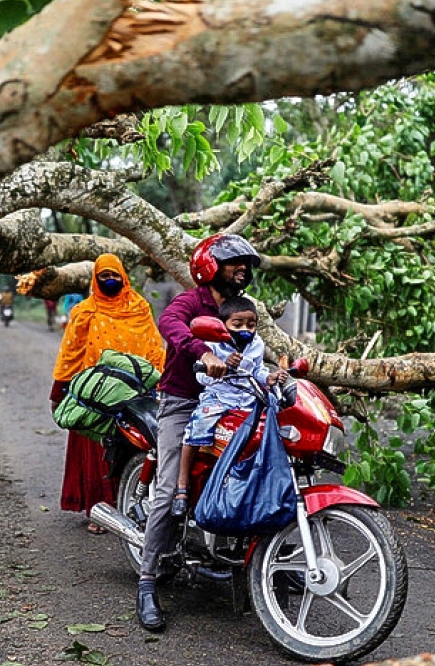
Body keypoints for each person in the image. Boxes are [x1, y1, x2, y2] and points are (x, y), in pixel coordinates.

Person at [136, 233, 260, 632]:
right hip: (183, 403)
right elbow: (168, 322)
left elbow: (258, 348)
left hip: (233, 400)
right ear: (210, 266)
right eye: (233, 261)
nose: (242, 268)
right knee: (171, 487)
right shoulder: (192, 303)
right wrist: (201, 352)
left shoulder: (244, 309)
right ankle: (147, 580)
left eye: (246, 263)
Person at [50, 254, 165, 534]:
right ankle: (99, 510)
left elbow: (153, 347)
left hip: (133, 393)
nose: (110, 281)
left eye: (115, 276)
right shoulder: (85, 312)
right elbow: (71, 353)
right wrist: (59, 389)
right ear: (95, 280)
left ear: (124, 277)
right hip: (96, 395)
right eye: (104, 277)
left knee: (134, 451)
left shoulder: (139, 308)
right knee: (97, 454)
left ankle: (133, 509)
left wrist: (159, 382)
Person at [173, 296, 285, 514]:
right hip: (218, 398)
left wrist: (268, 379)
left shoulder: (257, 344)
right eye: (238, 324)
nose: (245, 330)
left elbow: (257, 370)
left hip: (247, 400)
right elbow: (202, 379)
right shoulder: (212, 345)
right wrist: (221, 365)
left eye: (251, 325)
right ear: (223, 325)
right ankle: (182, 486)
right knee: (196, 431)